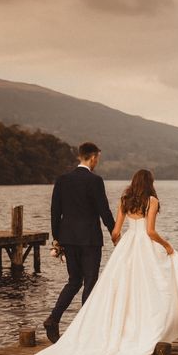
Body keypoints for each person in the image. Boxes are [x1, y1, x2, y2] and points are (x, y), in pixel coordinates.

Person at [35, 169, 178, 355]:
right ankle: (149, 327)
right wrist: (167, 245)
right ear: (150, 182)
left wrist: (120, 246)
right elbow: (150, 232)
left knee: (121, 289)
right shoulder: (152, 200)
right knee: (154, 286)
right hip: (145, 246)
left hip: (127, 245)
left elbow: (115, 232)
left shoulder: (124, 199)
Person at [43, 142, 115, 343]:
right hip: (90, 239)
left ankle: (53, 318)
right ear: (93, 157)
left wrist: (57, 238)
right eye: (97, 158)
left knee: (74, 280)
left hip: (68, 237)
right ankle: (86, 330)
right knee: (90, 281)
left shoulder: (62, 180)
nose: (97, 162)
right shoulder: (95, 181)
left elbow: (55, 211)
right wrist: (114, 232)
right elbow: (104, 211)